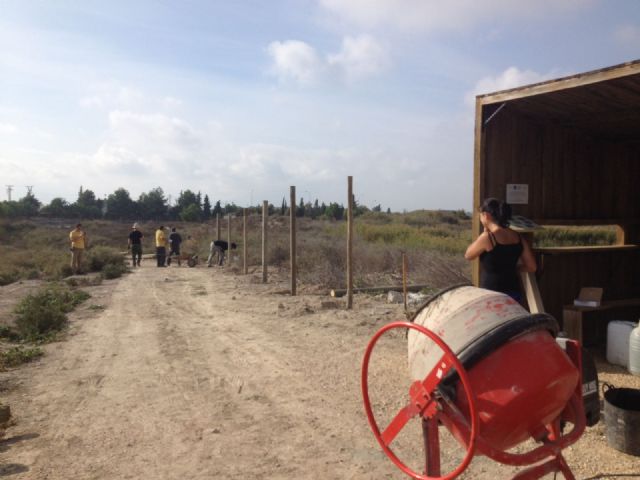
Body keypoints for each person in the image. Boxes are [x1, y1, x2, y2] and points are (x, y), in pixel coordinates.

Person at [464, 198, 536, 302]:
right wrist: (514, 269)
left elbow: (468, 255)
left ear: (486, 215)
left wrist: (484, 233)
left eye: (480, 215)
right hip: (513, 292)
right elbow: (532, 266)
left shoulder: (488, 237)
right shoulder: (518, 237)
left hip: (492, 294)